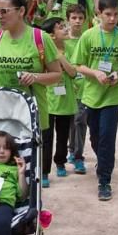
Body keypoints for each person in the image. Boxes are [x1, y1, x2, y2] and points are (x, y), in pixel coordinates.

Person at [0, 0, 62, 149]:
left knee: (28, 165)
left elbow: (57, 75)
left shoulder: (40, 38)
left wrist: (35, 77)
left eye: (4, 12)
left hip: (31, 114)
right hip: (1, 114)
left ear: (21, 11)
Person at [73, 0, 118, 201]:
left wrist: (117, 75)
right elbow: (78, 65)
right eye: (108, 14)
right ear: (98, 14)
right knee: (95, 137)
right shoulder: (88, 36)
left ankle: (104, 180)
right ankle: (102, 160)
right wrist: (95, 73)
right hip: (91, 96)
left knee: (107, 137)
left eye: (116, 15)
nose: (112, 19)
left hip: (112, 96)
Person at [41, 17, 78, 184]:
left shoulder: (70, 48)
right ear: (51, 35)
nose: (65, 29)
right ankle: (44, 172)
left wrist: (59, 56)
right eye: (60, 27)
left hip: (66, 100)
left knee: (63, 135)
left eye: (64, 26)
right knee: (46, 138)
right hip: (48, 101)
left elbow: (73, 72)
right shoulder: (42, 52)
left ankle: (60, 162)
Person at [63, 4, 89, 175]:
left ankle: (78, 157)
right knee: (70, 122)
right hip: (65, 89)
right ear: (68, 20)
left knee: (80, 122)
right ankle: (71, 149)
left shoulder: (88, 38)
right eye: (74, 18)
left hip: (84, 88)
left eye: (80, 18)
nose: (77, 21)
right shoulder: (62, 40)